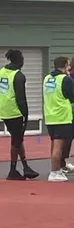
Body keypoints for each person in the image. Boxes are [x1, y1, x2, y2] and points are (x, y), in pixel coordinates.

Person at [0, 49, 38, 180]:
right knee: (16, 140)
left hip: (4, 110)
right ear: (19, 60)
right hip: (15, 112)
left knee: (17, 138)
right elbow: (21, 98)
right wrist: (25, 114)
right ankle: (12, 170)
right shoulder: (18, 76)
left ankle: (25, 167)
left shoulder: (2, 72)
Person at [43, 56, 74, 182]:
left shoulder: (47, 78)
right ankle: (54, 172)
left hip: (49, 116)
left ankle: (56, 170)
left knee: (53, 144)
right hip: (62, 116)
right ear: (65, 65)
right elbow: (72, 97)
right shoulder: (65, 79)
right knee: (59, 146)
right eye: (68, 65)